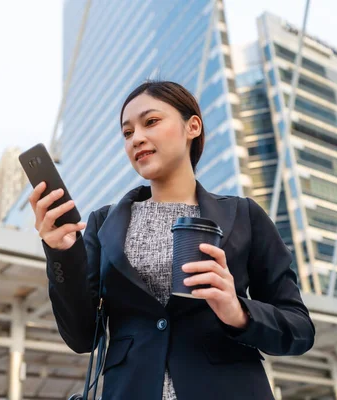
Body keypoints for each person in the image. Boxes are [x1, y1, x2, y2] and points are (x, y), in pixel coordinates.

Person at [29, 81, 315, 399]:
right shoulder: (103, 223)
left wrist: (237, 311)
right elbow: (82, 337)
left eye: (150, 122)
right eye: (127, 133)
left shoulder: (244, 215)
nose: (136, 137)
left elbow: (299, 329)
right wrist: (61, 253)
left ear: (192, 126)